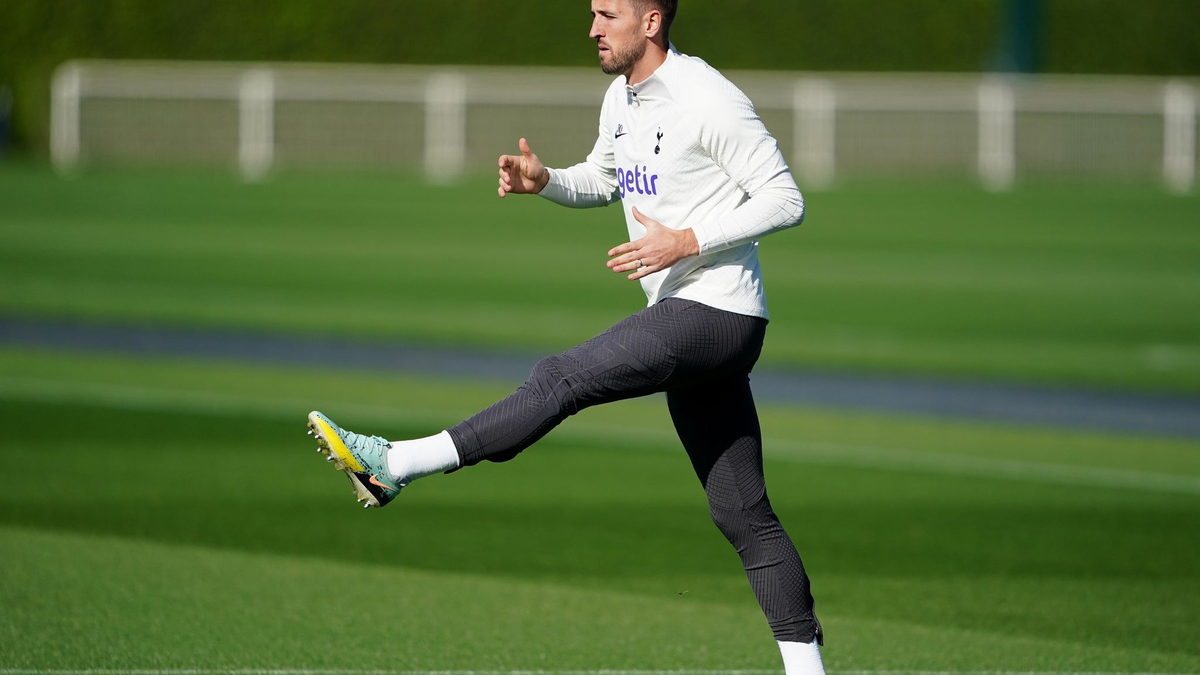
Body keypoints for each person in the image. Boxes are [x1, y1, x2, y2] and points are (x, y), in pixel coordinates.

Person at [306, 1, 825, 672]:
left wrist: (686, 240)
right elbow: (604, 179)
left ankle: (396, 463)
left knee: (561, 377)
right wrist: (546, 181)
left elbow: (786, 198)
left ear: (652, 21)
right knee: (743, 512)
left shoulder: (709, 97)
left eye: (608, 14)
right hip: (701, 325)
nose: (593, 28)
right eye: (593, 13)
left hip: (713, 312)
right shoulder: (621, 97)